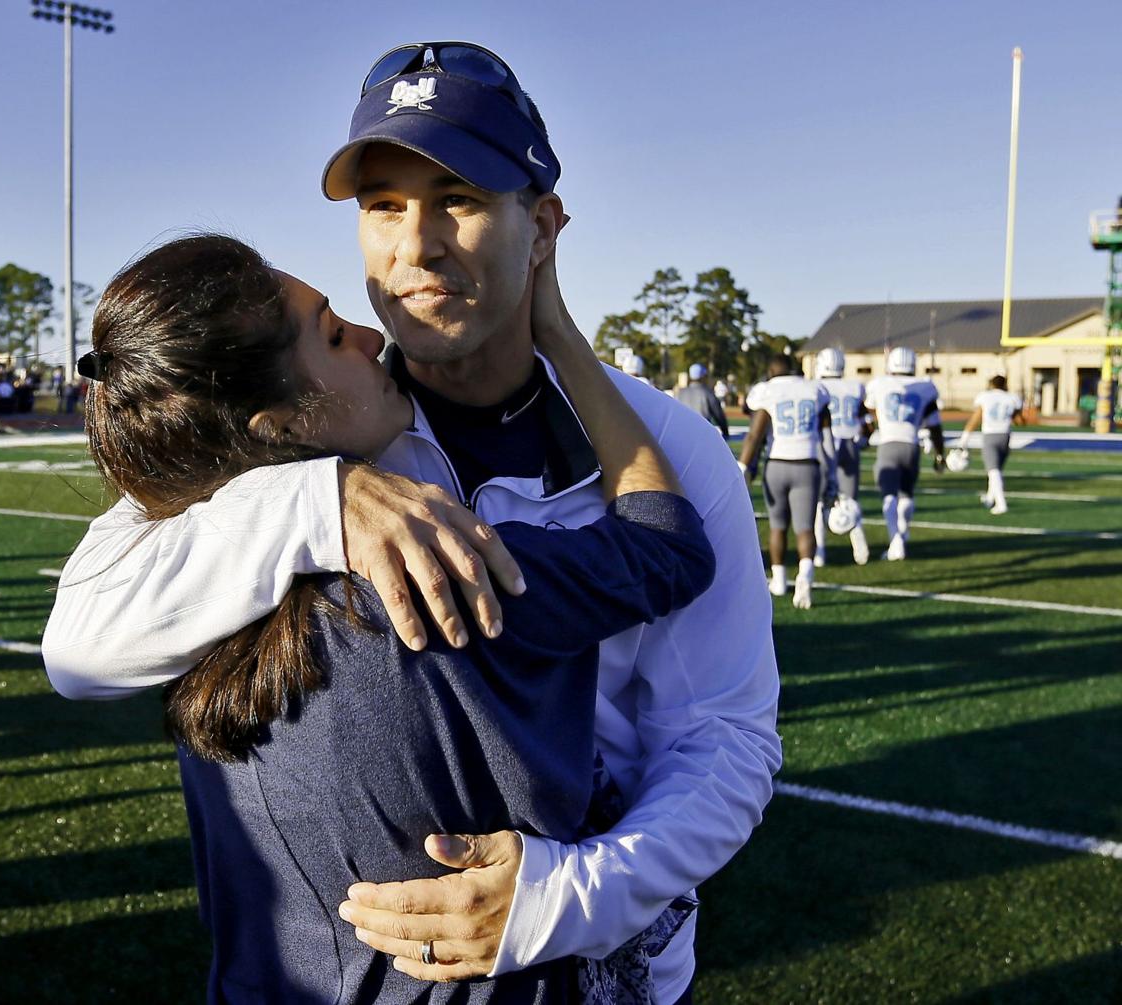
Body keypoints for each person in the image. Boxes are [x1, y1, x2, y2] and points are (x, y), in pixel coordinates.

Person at [42, 41, 781, 1004]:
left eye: (461, 198)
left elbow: (724, 738)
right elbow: (80, 641)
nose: (415, 244)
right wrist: (316, 502)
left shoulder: (671, 450)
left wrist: (568, 894)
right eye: (383, 205)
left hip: (605, 967)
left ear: (542, 225)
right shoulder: (310, 438)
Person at [738, 357, 835, 610]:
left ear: (771, 370)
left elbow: (754, 435)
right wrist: (831, 473)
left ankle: (779, 579)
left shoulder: (768, 391)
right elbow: (827, 438)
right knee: (805, 528)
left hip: (778, 462)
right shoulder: (815, 390)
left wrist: (742, 468)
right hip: (807, 463)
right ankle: (805, 575)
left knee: (777, 526)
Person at [863, 346, 945, 561]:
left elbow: (868, 414)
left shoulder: (879, 384)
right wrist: (939, 454)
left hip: (888, 444)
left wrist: (864, 436)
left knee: (888, 496)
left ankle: (896, 541)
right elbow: (935, 425)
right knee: (906, 495)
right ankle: (904, 533)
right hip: (911, 445)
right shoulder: (925, 388)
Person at [812, 347, 871, 566]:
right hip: (849, 444)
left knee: (818, 502)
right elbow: (867, 421)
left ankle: (819, 552)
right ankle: (859, 546)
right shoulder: (855, 387)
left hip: (825, 445)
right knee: (849, 499)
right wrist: (863, 439)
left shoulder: (816, 387)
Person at [956, 374, 1022, 515]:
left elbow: (975, 419)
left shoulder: (985, 396)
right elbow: (1018, 419)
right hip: (1005, 435)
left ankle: (1001, 503)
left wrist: (963, 441)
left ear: (992, 384)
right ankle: (990, 498)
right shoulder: (1012, 398)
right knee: (996, 470)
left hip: (990, 435)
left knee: (993, 471)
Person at [675, 362, 729, 439]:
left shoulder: (680, 393)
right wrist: (725, 431)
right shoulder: (707, 393)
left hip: (682, 433)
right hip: (702, 434)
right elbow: (718, 414)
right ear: (703, 377)